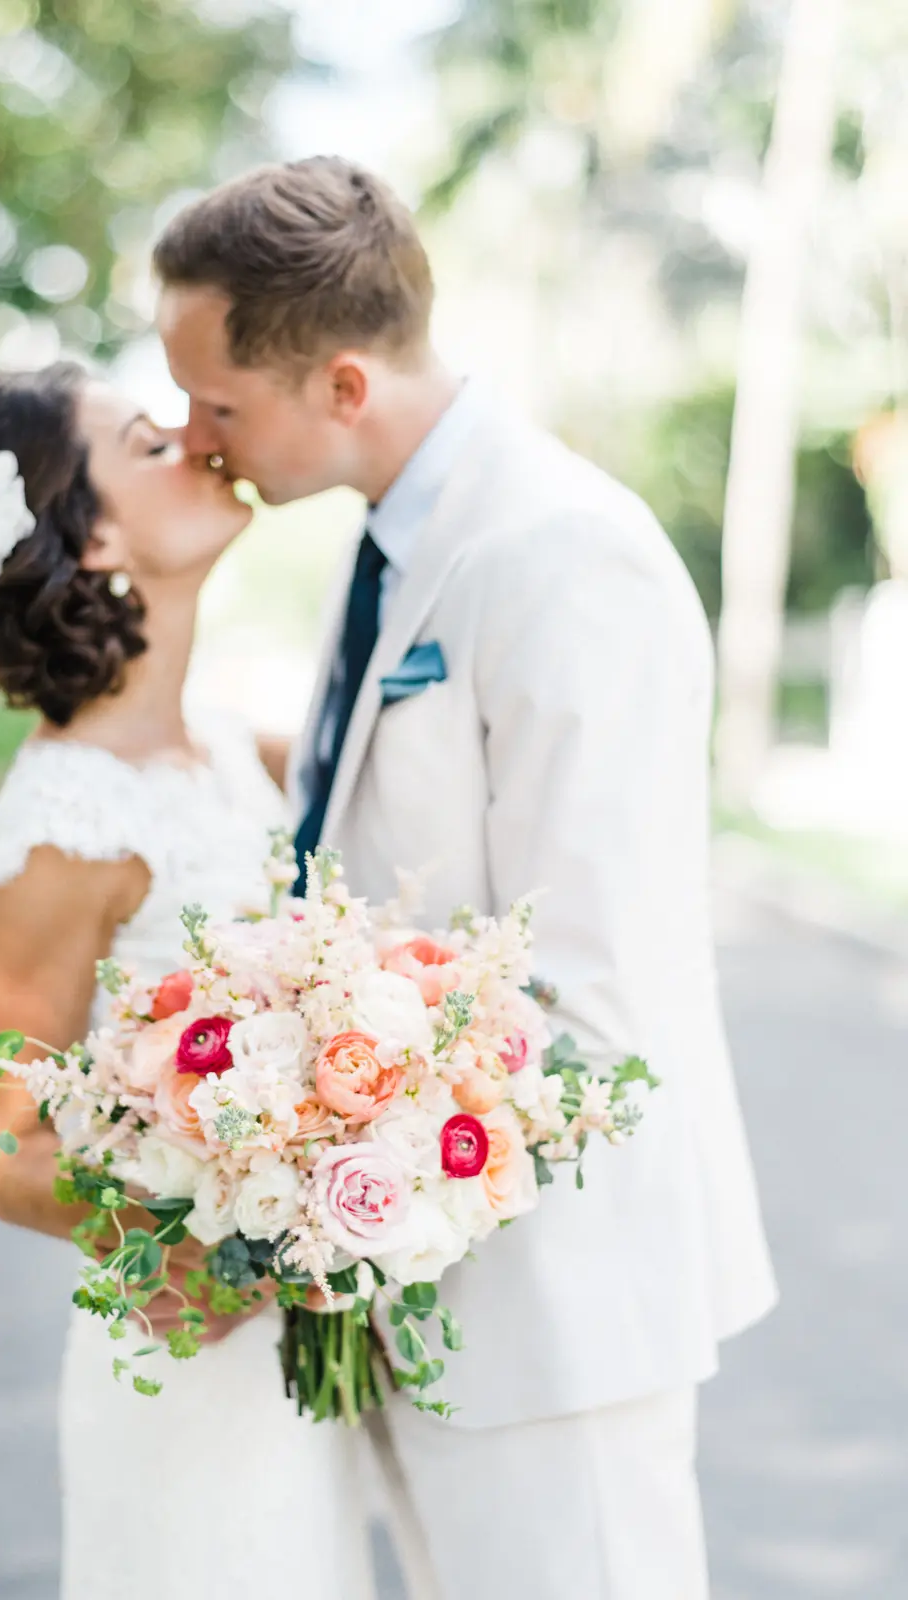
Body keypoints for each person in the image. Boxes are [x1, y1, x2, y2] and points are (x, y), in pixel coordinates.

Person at [153, 155, 779, 1599]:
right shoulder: (384, 545)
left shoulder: (563, 552)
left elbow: (592, 990)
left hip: (557, 1307)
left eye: (221, 405)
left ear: (345, 387)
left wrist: (336, 1174)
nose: (195, 436)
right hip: (420, 1292)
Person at [0, 362, 372, 1600]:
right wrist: (221, 1243)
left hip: (292, 1320)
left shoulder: (224, 742)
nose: (192, 434)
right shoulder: (63, 823)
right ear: (99, 529)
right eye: (145, 437)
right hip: (188, 1340)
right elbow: (8, 1146)